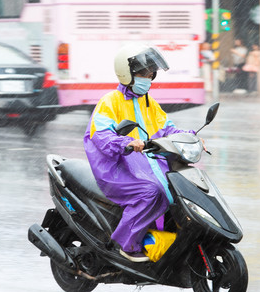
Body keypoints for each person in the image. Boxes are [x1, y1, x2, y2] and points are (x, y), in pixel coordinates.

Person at [83, 44, 195, 262]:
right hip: (116, 168)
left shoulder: (148, 103)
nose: (149, 77)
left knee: (177, 188)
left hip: (145, 165)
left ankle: (161, 242)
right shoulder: (109, 101)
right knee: (150, 192)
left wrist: (191, 137)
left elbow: (167, 127)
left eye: (150, 73)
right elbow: (101, 135)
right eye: (143, 73)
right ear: (127, 74)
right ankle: (126, 245)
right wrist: (126, 142)